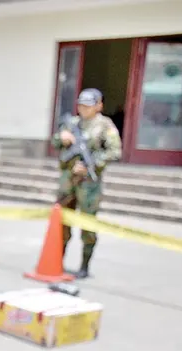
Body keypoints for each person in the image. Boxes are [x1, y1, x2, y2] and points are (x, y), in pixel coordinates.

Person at [51, 88, 122, 278]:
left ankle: (84, 265)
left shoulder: (105, 125)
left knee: (88, 225)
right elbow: (55, 142)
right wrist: (62, 138)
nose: (84, 109)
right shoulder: (72, 123)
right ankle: (56, 260)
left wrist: (94, 164)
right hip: (67, 182)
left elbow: (114, 152)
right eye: (81, 105)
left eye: (88, 106)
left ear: (99, 105)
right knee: (62, 222)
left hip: (89, 184)